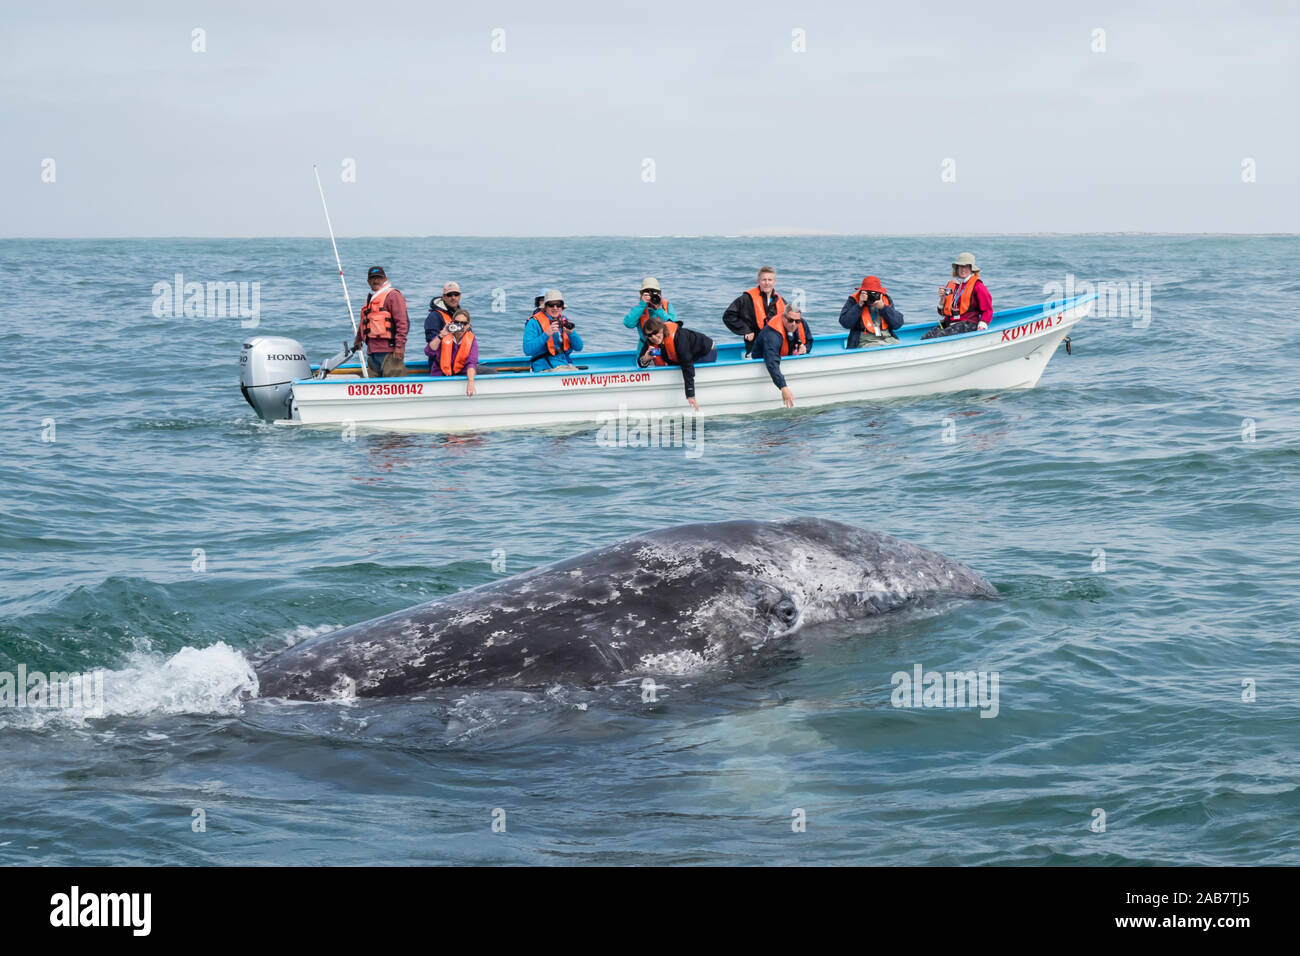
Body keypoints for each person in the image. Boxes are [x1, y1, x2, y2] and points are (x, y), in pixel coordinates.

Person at [637, 315, 716, 411]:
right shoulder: (650, 341)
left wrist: (690, 395)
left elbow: (687, 365)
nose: (653, 337)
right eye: (649, 335)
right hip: (685, 356)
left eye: (655, 332)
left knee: (684, 364)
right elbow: (640, 363)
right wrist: (645, 358)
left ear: (661, 329)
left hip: (706, 352)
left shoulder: (679, 337)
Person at [354, 265, 409, 376]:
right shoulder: (371, 298)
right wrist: (358, 339)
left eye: (379, 277)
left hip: (390, 352)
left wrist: (399, 346)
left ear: (385, 279)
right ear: (368, 281)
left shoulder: (393, 296)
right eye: (373, 278)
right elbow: (364, 321)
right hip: (372, 352)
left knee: (395, 385)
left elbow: (402, 323)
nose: (376, 280)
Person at [922, 252, 992, 339]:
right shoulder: (951, 284)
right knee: (926, 337)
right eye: (960, 266)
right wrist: (942, 299)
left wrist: (982, 325)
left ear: (971, 268)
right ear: (957, 268)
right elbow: (942, 312)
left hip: (968, 323)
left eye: (966, 266)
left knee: (941, 336)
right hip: (949, 323)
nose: (963, 269)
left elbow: (987, 310)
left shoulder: (978, 286)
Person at [722, 266, 786, 356]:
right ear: (758, 281)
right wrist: (745, 330)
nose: (767, 283)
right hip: (754, 343)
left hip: (775, 344)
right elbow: (728, 316)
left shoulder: (781, 301)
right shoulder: (746, 299)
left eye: (770, 280)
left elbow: (789, 322)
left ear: (774, 282)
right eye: (764, 280)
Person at [747, 301, 799, 408]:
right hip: (765, 359)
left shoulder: (796, 323)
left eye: (797, 321)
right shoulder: (772, 336)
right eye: (790, 320)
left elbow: (808, 340)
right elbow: (771, 362)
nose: (794, 324)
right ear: (783, 318)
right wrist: (783, 387)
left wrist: (804, 347)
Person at [523, 289, 584, 371]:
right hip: (544, 368)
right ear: (545, 307)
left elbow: (579, 347)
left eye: (558, 305)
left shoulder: (563, 321)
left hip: (563, 365)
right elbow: (528, 350)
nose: (555, 308)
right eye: (551, 305)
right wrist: (546, 334)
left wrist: (571, 334)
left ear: (562, 307)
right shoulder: (533, 322)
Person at [839, 276, 904, 348]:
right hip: (865, 341)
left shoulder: (885, 299)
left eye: (874, 293)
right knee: (878, 348)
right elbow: (845, 323)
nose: (871, 297)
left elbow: (898, 324)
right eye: (869, 293)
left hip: (887, 338)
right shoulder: (854, 300)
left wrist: (883, 308)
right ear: (862, 292)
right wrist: (859, 305)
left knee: (898, 345)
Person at [425, 308, 478, 396]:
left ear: (468, 325)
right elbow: (428, 352)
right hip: (440, 375)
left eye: (464, 323)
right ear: (452, 323)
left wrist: (471, 382)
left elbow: (471, 362)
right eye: (457, 322)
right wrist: (441, 335)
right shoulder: (444, 336)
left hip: (461, 374)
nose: (460, 325)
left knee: (488, 371)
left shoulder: (471, 340)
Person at [623, 277, 679, 343]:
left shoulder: (666, 305)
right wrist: (642, 305)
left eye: (654, 292)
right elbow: (628, 324)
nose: (650, 296)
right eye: (647, 292)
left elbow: (675, 326)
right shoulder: (638, 308)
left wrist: (659, 309)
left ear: (659, 294)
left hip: (664, 344)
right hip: (645, 345)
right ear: (642, 294)